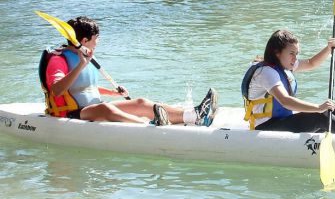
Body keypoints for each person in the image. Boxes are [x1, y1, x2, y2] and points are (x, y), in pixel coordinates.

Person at [39, 16, 217, 126]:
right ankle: (149, 124)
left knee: (140, 103)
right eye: (96, 38)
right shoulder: (58, 60)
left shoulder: (83, 56)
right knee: (105, 108)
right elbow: (57, 90)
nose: (98, 41)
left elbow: (82, 87)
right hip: (72, 113)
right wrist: (80, 66)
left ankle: (194, 115)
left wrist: (111, 92)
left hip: (93, 108)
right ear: (85, 40)